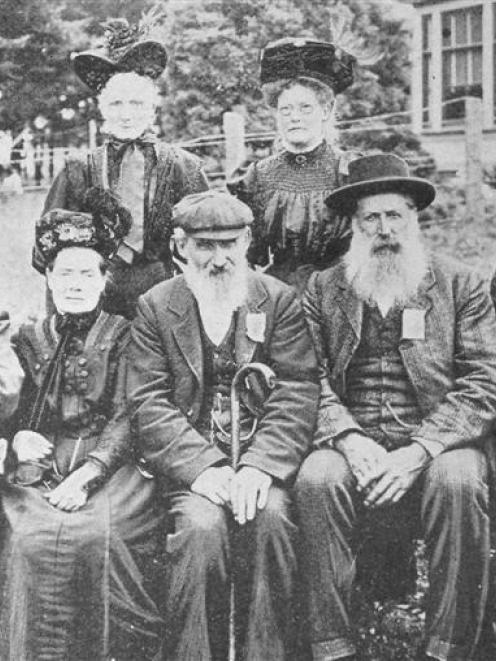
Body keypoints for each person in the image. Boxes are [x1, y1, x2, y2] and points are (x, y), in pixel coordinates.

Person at [296, 153, 496, 661]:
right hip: (350, 440)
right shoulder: (323, 288)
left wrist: (422, 448)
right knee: (317, 477)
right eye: (372, 218)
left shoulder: (461, 284)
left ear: (414, 217)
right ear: (354, 225)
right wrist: (347, 436)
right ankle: (331, 645)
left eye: (395, 216)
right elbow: (306, 376)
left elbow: (484, 379)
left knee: (458, 479)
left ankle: (447, 647)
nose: (385, 229)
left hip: (437, 440)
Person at [127, 190, 319, 660]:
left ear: (248, 240)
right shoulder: (156, 305)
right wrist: (204, 468)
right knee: (199, 529)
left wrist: (261, 466)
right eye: (205, 246)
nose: (219, 259)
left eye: (230, 244)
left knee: (271, 519)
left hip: (259, 461)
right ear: (181, 246)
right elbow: (146, 400)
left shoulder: (277, 301)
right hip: (193, 468)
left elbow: (297, 390)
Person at [0, 209, 165, 660]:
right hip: (40, 465)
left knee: (95, 537)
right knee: (29, 539)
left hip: (114, 468)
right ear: (49, 278)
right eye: (65, 273)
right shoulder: (27, 336)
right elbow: (13, 408)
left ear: (103, 279)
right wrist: (16, 440)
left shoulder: (127, 333)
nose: (75, 283)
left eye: (86, 273)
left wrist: (88, 474)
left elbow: (130, 413)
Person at [36, 17, 209, 318]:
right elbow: (47, 253)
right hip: (96, 298)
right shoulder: (78, 169)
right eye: (116, 104)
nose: (126, 114)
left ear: (152, 108)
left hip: (163, 293)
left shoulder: (183, 167)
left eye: (136, 103)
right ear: (103, 109)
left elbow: (208, 242)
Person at [228, 38, 357, 295]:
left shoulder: (348, 170)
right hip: (277, 297)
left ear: (326, 110)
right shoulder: (258, 175)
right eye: (285, 109)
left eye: (305, 107)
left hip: (340, 294)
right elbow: (247, 253)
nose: (294, 117)